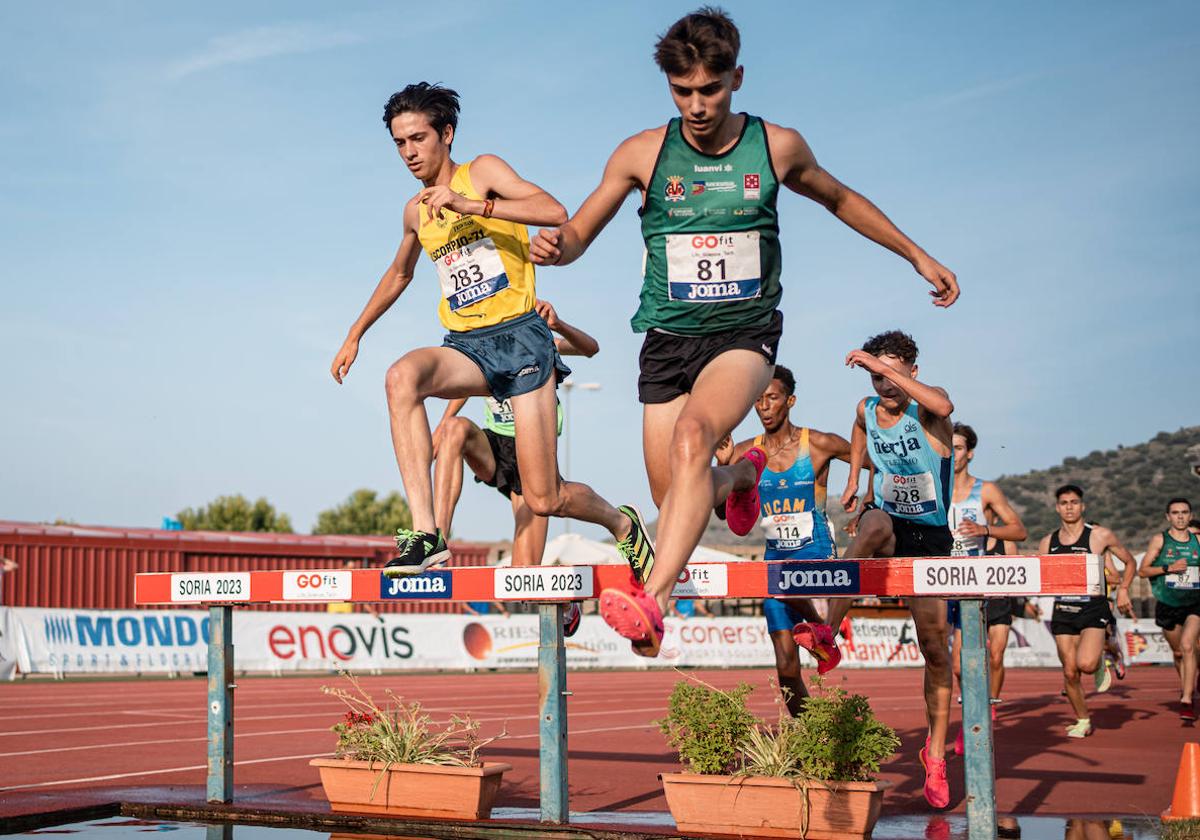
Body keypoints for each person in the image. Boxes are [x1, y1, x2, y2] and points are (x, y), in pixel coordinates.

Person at [529, 7, 958, 658]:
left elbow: (841, 199)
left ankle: (656, 600)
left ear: (737, 78)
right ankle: (742, 479)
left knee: (697, 438)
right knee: (679, 496)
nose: (698, 106)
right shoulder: (643, 153)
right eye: (683, 92)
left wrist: (916, 254)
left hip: (743, 335)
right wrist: (558, 247)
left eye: (711, 89)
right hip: (668, 340)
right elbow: (582, 229)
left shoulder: (774, 145)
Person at [329, 82, 654, 579]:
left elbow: (554, 211)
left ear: (447, 133)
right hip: (467, 346)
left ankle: (621, 523)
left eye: (418, 138)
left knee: (545, 497)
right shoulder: (415, 212)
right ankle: (427, 534)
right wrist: (355, 333)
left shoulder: (480, 172)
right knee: (401, 378)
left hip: (522, 337)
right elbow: (399, 274)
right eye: (400, 143)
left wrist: (469, 206)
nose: (410, 152)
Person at [790, 329, 955, 808]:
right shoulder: (866, 408)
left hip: (930, 538)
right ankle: (827, 631)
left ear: (912, 371)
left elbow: (944, 409)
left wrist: (883, 366)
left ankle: (936, 753)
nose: (882, 383)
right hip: (889, 522)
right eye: (874, 374)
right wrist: (855, 480)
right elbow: (859, 430)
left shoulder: (930, 407)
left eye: (891, 372)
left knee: (935, 649)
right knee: (871, 526)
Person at [431, 299, 598, 635]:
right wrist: (442, 425)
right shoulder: (485, 346)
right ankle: (436, 539)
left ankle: (566, 601)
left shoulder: (541, 343)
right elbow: (461, 388)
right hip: (495, 444)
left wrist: (559, 324)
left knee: (524, 577)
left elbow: (590, 348)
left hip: (533, 451)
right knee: (456, 431)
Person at [715, 364, 860, 716]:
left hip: (816, 559)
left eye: (772, 398)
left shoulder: (820, 444)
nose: (764, 407)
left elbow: (874, 460)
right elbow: (725, 516)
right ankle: (809, 736)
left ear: (790, 400)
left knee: (785, 585)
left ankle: (821, 629)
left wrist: (863, 495)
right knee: (786, 669)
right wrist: (722, 466)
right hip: (775, 564)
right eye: (758, 400)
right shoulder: (745, 453)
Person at [944, 423, 1028, 754]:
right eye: (949, 447)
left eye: (960, 447)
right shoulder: (934, 488)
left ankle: (974, 719)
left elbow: (1019, 530)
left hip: (973, 585)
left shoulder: (986, 491)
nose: (954, 453)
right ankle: (974, 712)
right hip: (939, 584)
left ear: (970, 453)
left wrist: (984, 528)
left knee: (976, 659)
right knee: (955, 666)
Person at [1037, 485, 1134, 738]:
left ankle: (1100, 656)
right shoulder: (1048, 542)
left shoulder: (1100, 536)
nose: (1069, 506)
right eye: (1064, 502)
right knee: (1070, 672)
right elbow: (1040, 575)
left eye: (1074, 502)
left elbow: (1130, 562)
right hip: (1063, 609)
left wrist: (1123, 588)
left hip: (1093, 607)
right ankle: (1082, 719)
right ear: (1057, 507)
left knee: (1086, 665)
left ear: (1083, 506)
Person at [1138, 497, 1200, 720]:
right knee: (1178, 652)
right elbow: (1143, 571)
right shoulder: (1160, 540)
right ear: (1168, 517)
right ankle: (1188, 684)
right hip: (1168, 603)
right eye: (1175, 513)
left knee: (1188, 645)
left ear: (1190, 515)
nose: (1180, 516)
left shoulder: (1198, 541)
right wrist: (1168, 568)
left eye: (1184, 512)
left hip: (1195, 603)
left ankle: (1186, 698)